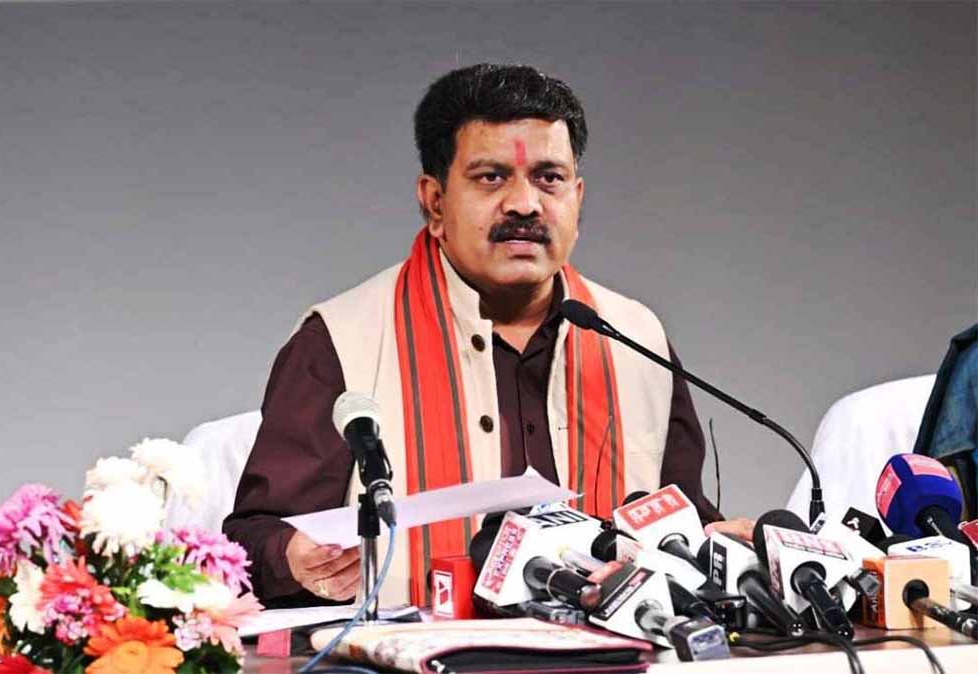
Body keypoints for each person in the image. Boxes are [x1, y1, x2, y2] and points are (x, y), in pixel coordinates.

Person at [224, 63, 753, 609]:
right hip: (415, 650)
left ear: (577, 198)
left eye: (548, 178)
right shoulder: (341, 339)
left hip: (615, 646)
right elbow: (251, 540)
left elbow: (676, 519)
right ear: (434, 202)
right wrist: (292, 557)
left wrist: (724, 544)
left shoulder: (634, 337)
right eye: (491, 177)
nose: (525, 204)